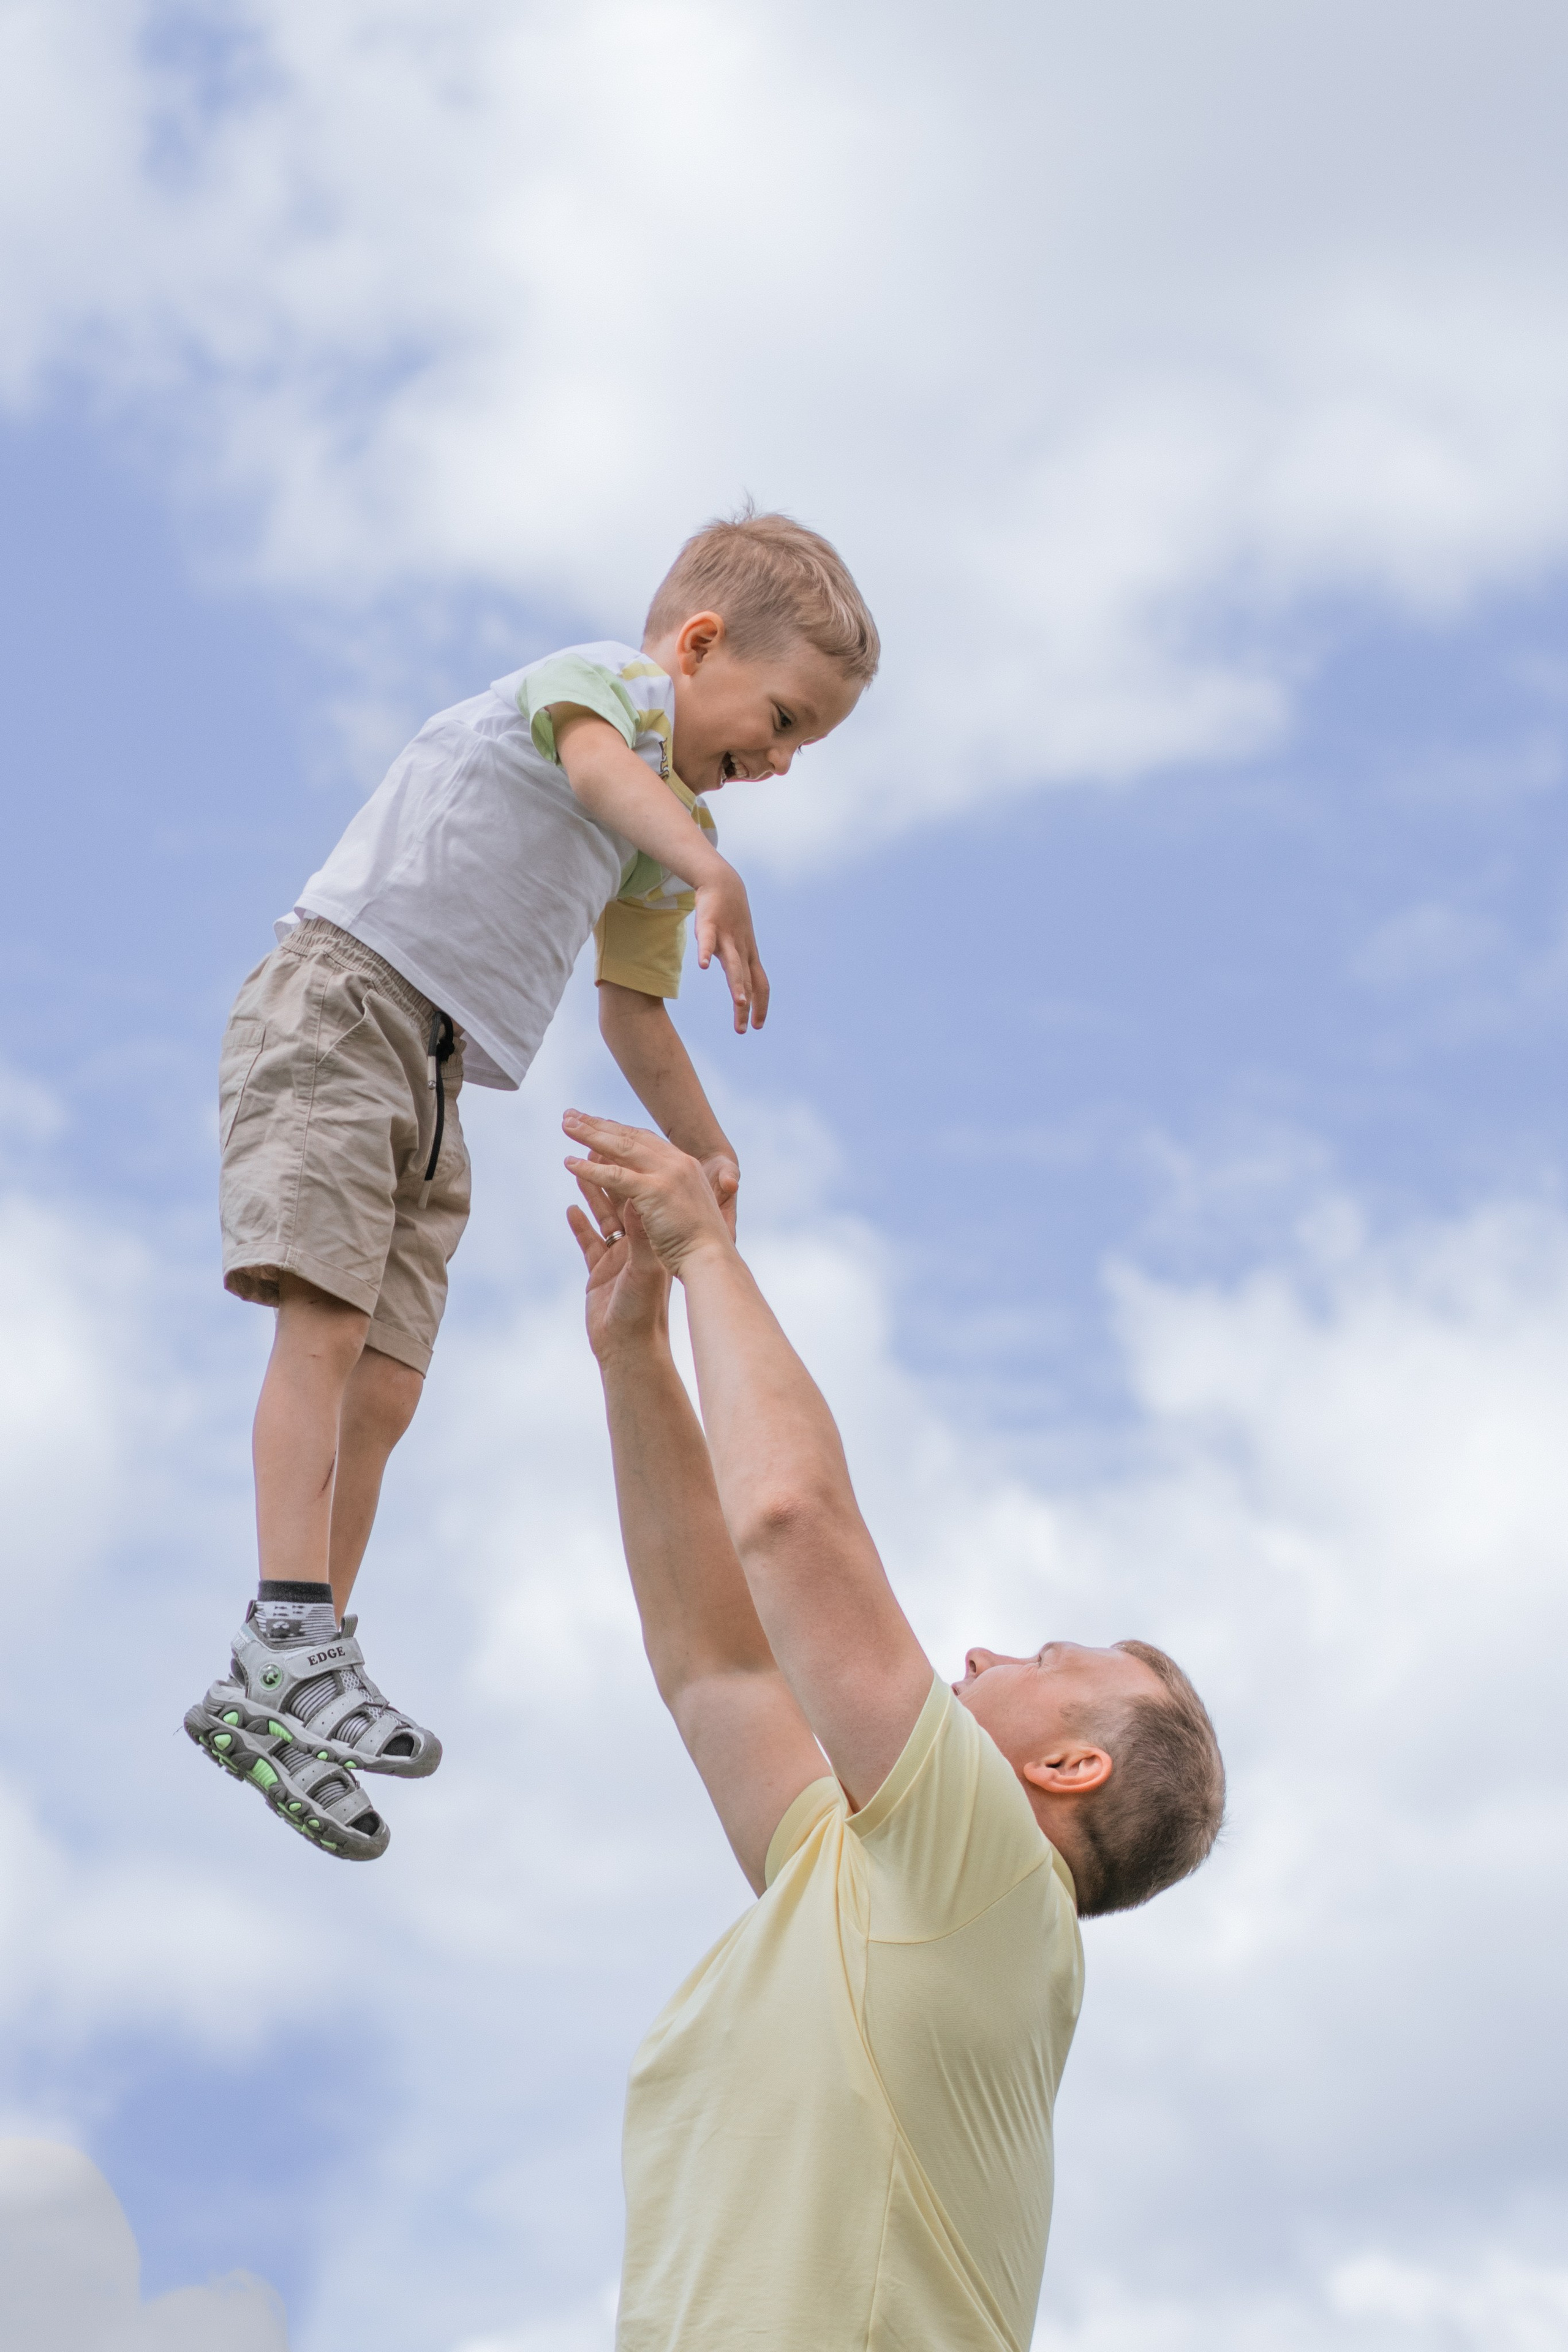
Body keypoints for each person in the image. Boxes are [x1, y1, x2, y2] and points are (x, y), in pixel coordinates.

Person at [183, 511, 878, 1862]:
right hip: (341, 1003)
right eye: (784, 719)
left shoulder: (667, 829)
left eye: (806, 745)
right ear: (697, 645)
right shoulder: (600, 691)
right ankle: (286, 1627)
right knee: (325, 1324)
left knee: (388, 1382)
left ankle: (289, 1678)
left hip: (441, 1074)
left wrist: (710, 1153)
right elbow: (596, 768)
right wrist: (710, 865)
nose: (782, 761)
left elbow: (632, 1013)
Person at [562, 1113, 1227, 2352]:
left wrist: (707, 1256)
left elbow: (792, 1521)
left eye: (1041, 1661)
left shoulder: (994, 1876)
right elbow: (715, 1670)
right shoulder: (883, 1884)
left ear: (1067, 1769)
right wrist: (633, 1355)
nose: (980, 1655)